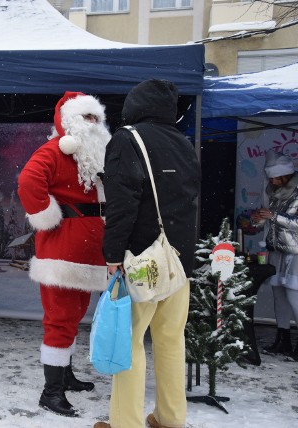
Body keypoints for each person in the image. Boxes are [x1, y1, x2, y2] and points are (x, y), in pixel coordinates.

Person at [95, 79, 201, 428]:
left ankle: (126, 423)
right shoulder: (184, 144)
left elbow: (122, 206)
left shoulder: (127, 139)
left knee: (129, 343)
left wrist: (113, 256)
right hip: (178, 261)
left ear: (134, 105)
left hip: (141, 261)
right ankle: (171, 419)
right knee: (171, 341)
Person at [17, 91, 111, 417]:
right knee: (59, 318)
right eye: (86, 118)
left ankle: (66, 375)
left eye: (96, 118)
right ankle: (50, 392)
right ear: (69, 120)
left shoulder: (91, 157)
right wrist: (46, 215)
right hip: (62, 251)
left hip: (87, 251)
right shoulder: (55, 150)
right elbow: (29, 181)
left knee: (73, 315)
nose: (93, 124)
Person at [251, 150, 298, 361]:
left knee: (293, 295)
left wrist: (275, 216)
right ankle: (283, 338)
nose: (273, 181)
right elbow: (271, 222)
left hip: (296, 253)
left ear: (286, 175)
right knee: (278, 294)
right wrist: (258, 219)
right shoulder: (273, 193)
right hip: (277, 250)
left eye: (276, 177)